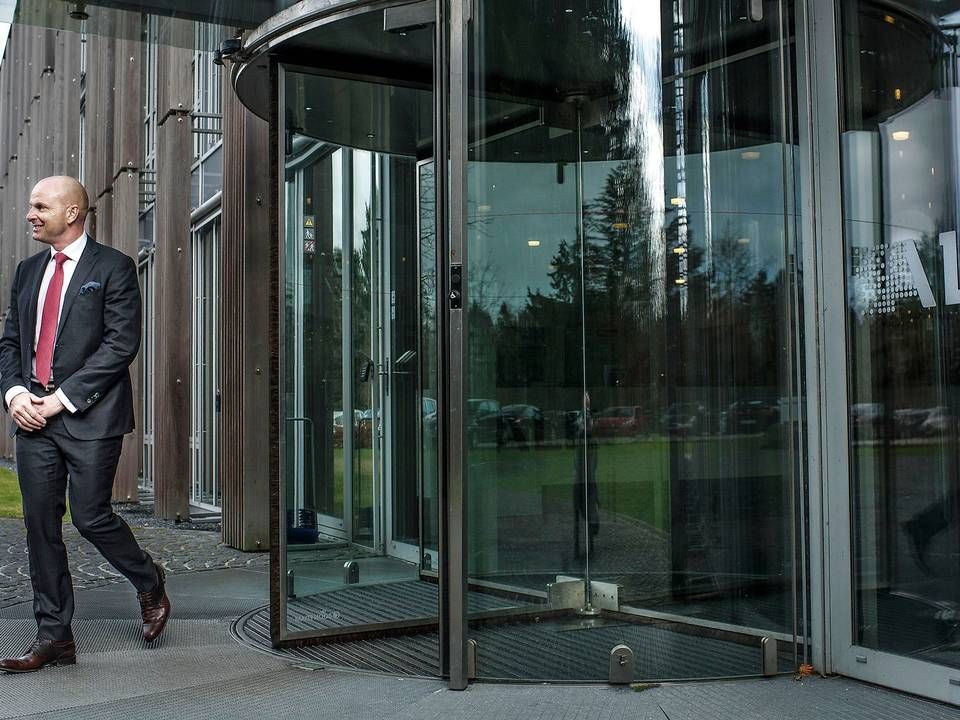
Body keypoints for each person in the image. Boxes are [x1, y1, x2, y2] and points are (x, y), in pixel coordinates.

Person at [0, 176, 170, 673]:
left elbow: (120, 345)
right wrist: (14, 394)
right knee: (39, 525)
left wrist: (58, 401)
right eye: (30, 206)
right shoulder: (28, 271)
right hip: (32, 419)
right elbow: (10, 341)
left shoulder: (113, 267)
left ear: (72, 212)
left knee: (91, 516)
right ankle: (55, 638)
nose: (30, 214)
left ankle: (149, 581)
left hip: (90, 417)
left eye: (39, 206)